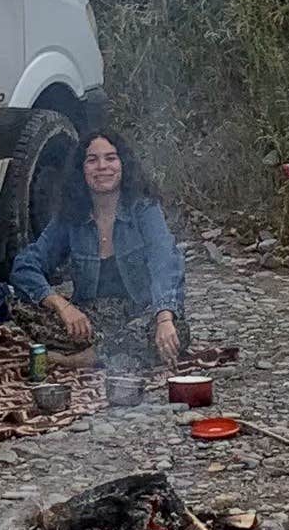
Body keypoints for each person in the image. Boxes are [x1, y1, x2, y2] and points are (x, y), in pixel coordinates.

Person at [10, 122, 188, 369]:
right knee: (20, 303)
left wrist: (164, 317)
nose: (102, 167)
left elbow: (165, 261)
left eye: (111, 158)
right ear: (81, 170)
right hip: (91, 317)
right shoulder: (70, 216)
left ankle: (84, 358)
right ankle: (110, 352)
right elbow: (25, 265)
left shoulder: (144, 208)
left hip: (141, 312)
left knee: (174, 330)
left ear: (123, 165)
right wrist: (62, 306)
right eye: (92, 160)